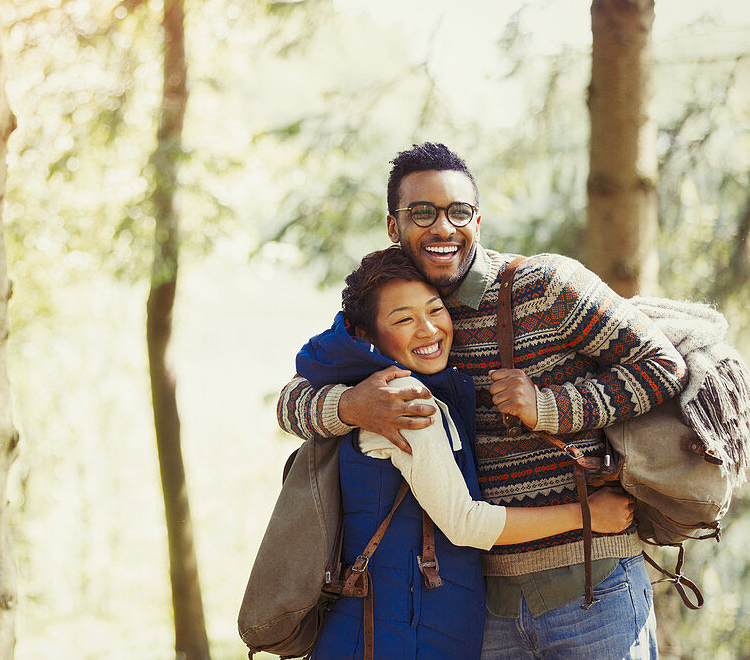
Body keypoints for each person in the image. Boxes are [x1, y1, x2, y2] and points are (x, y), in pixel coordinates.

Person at [278, 143, 688, 659]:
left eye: (458, 211)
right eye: (422, 213)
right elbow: (294, 398)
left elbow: (662, 366)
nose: (443, 228)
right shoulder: (390, 311)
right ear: (392, 226)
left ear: (477, 219)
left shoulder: (547, 285)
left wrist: (551, 407)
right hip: (484, 607)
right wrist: (352, 406)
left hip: (593, 583)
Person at [300, 246, 634, 660]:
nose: (427, 330)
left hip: (388, 624)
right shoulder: (403, 399)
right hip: (394, 632)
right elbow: (465, 523)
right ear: (366, 335)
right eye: (403, 319)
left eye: (435, 310)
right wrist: (588, 515)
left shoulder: (366, 385)